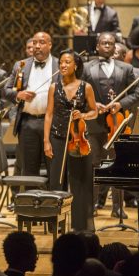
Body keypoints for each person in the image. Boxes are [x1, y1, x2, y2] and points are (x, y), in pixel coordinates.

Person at [81, 33, 139, 219]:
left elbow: (137, 93)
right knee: (94, 165)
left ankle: (117, 208)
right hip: (94, 124)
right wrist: (92, 104)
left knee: (118, 165)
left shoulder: (126, 68)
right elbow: (78, 91)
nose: (107, 46)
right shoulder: (86, 67)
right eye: (104, 43)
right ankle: (90, 206)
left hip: (118, 123)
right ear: (97, 46)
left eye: (111, 43)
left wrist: (120, 104)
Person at [44, 49, 97, 231]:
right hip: (57, 137)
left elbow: (94, 111)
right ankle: (56, 223)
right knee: (56, 182)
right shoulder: (54, 87)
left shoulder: (86, 87)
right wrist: (46, 141)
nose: (63, 65)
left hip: (78, 139)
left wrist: (82, 114)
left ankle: (80, 224)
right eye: (61, 63)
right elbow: (49, 115)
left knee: (79, 182)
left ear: (76, 66)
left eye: (67, 62)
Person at [4, 32, 59, 181]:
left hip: (53, 123)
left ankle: (52, 202)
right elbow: (6, 90)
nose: (37, 46)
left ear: (49, 45)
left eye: (41, 42)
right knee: (29, 169)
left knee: (53, 166)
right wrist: (18, 95)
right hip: (27, 123)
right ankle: (30, 203)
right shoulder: (21, 65)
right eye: (35, 43)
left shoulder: (59, 65)